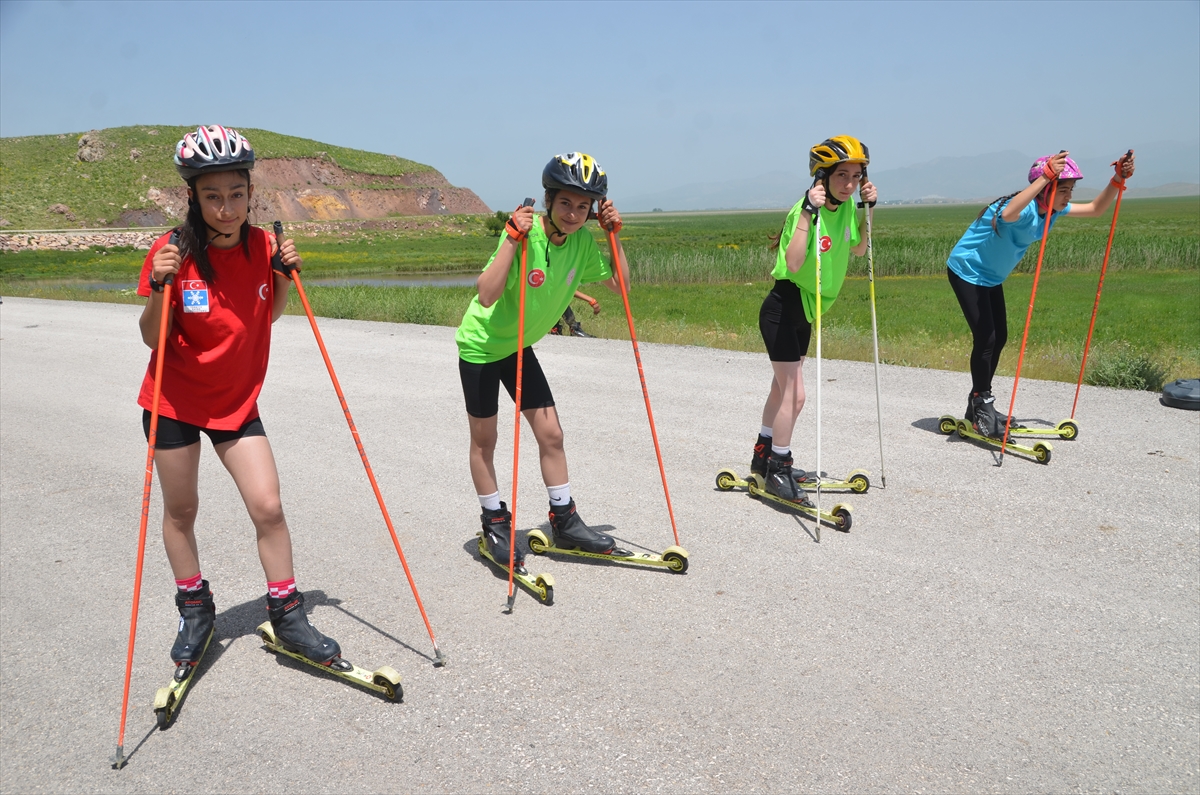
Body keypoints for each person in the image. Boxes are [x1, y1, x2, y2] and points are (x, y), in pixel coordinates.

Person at [137, 124, 345, 683]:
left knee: (268, 507)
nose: (225, 207)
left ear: (251, 193)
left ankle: (287, 612)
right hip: (174, 402)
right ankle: (195, 610)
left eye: (235, 194)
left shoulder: (262, 247)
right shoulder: (170, 252)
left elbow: (270, 314)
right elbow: (152, 338)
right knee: (182, 511)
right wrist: (161, 286)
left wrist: (281, 274)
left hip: (236, 405)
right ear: (192, 197)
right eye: (212, 196)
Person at [455, 153, 631, 572]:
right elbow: (486, 294)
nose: (573, 214)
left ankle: (564, 518)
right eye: (566, 203)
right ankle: (495, 522)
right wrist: (512, 238)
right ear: (549, 200)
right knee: (486, 441)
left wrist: (613, 235)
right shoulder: (524, 233)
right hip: (482, 347)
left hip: (516, 347)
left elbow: (621, 285)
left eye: (583, 207)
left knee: (551, 435)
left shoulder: (585, 241)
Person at [947, 149, 1136, 438]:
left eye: (1071, 190)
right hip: (966, 272)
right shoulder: (1021, 207)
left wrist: (1117, 178)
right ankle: (982, 403)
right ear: (1045, 187)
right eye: (1063, 189)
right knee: (987, 337)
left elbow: (1096, 209)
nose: (1068, 196)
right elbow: (1009, 213)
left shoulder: (1054, 210)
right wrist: (1045, 177)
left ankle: (977, 405)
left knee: (1000, 338)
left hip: (991, 278)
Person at [752, 136, 877, 503]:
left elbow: (858, 248)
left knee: (781, 390)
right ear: (821, 177)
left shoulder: (844, 211)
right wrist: (807, 211)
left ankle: (763, 455)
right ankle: (779, 466)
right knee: (795, 395)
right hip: (783, 306)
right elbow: (792, 263)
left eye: (856, 176)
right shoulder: (805, 211)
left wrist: (869, 210)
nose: (850, 184)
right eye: (842, 175)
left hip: (806, 310)